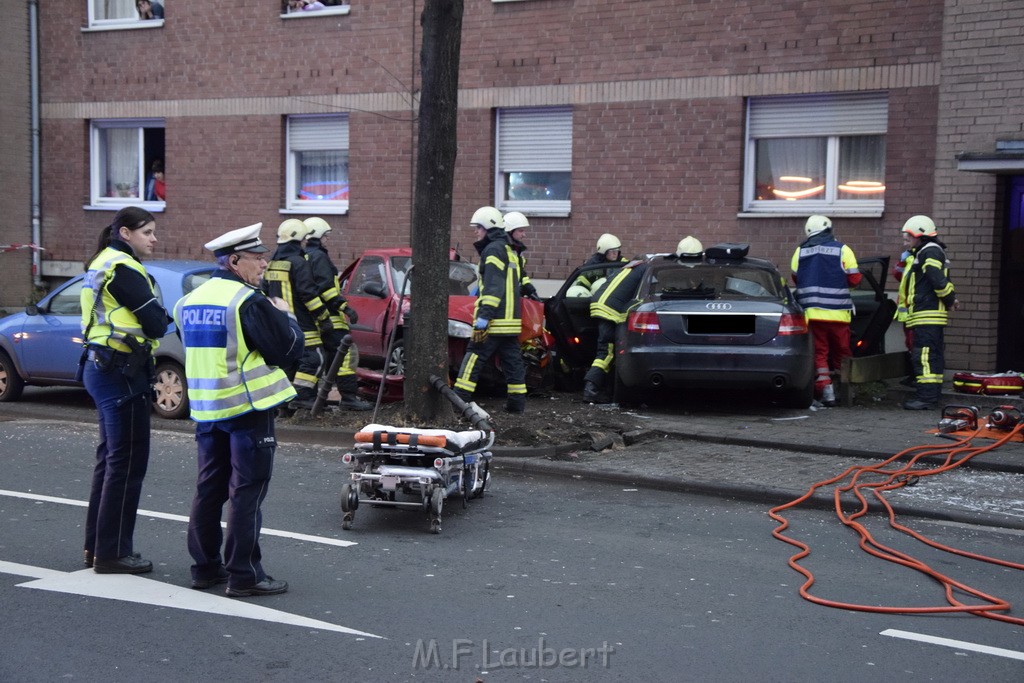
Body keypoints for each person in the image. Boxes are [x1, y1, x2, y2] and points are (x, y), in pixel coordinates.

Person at [173, 222, 304, 597]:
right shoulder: (248, 301)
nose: (264, 263)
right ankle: (245, 575)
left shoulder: (188, 301)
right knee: (247, 492)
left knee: (209, 490)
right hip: (247, 409)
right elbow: (289, 349)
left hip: (207, 410)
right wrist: (285, 314)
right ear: (234, 261)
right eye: (257, 257)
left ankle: (205, 569)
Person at [80, 206, 169, 574]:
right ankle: (114, 553)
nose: (153, 238)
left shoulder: (102, 261)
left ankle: (97, 548)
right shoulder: (124, 268)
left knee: (111, 462)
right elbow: (154, 325)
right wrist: (162, 318)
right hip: (121, 373)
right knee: (127, 464)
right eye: (147, 232)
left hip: (102, 367)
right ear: (126, 233)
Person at [582, 237, 701, 403]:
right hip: (610, 308)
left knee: (607, 350)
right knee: (606, 352)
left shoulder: (639, 264)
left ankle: (599, 389)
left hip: (601, 302)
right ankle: (591, 390)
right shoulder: (650, 268)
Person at [453, 206, 527, 413]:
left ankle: (459, 401)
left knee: (473, 357)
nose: (476, 231)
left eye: (478, 227)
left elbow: (494, 288)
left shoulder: (493, 250)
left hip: (494, 321)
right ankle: (516, 405)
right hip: (510, 322)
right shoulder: (509, 250)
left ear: (488, 227)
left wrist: (483, 318)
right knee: (513, 364)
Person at [790, 215, 861, 407]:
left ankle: (826, 390)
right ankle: (846, 388)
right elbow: (855, 279)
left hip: (812, 313)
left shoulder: (800, 251)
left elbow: (796, 278)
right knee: (843, 351)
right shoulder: (843, 250)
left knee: (820, 352)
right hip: (839, 313)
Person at [302, 217, 371, 411]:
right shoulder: (319, 257)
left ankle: (315, 399)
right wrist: (344, 308)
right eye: (325, 236)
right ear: (317, 236)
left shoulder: (304, 256)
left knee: (323, 360)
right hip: (331, 317)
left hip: (313, 318)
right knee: (346, 355)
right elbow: (326, 288)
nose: (327, 240)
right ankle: (349, 398)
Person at [263, 219, 332, 409]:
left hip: (278, 325)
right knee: (315, 358)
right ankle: (302, 396)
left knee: (289, 364)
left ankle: (283, 404)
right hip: (301, 324)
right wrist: (324, 318)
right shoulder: (298, 263)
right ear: (298, 241)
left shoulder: (271, 264)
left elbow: (264, 292)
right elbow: (308, 295)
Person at [896, 215, 959, 410]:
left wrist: (950, 299)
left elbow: (937, 279)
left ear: (920, 235)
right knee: (932, 355)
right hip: (927, 314)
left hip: (927, 313)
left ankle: (926, 399)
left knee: (924, 356)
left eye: (908, 238)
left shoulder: (929, 252)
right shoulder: (924, 252)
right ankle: (931, 396)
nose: (905, 241)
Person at [503, 211, 540, 300]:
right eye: (520, 231)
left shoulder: (516, 252)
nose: (524, 234)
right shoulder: (501, 251)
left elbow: (520, 273)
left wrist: (528, 287)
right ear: (510, 231)